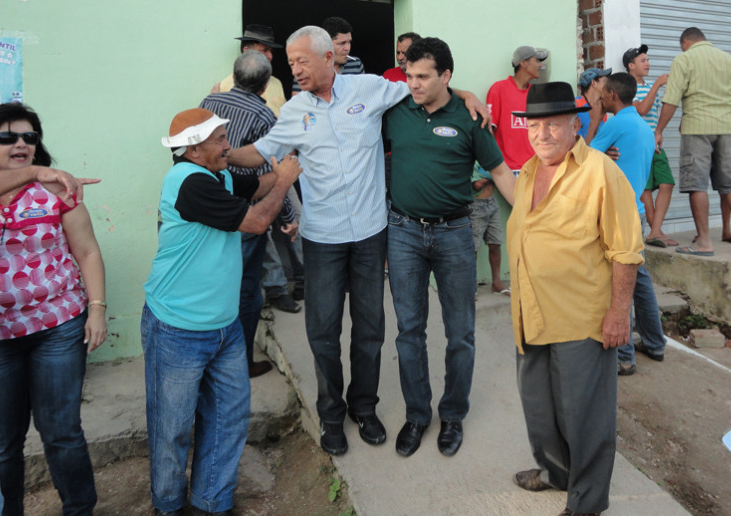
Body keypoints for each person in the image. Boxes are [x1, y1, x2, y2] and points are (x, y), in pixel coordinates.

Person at [226, 25, 489, 457]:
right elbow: (260, 151)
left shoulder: (369, 89)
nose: (295, 69)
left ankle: (364, 409)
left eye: (302, 61)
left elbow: (423, 85)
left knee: (370, 331)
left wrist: (465, 94)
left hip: (370, 233)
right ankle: (332, 416)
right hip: (323, 238)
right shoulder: (294, 111)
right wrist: (219, 154)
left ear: (329, 58)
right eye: (291, 63)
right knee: (323, 332)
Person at [0, 103, 105, 516]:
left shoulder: (56, 191)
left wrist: (97, 309)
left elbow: (87, 252)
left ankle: (80, 510)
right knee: (0, 443)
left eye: (30, 137)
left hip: (58, 326)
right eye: (8, 137)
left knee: (62, 432)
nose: (21, 145)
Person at [142, 108, 301, 515]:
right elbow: (255, 221)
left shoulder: (219, 175)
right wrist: (284, 182)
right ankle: (169, 505)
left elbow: (256, 183)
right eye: (220, 139)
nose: (228, 145)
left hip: (223, 325)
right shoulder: (188, 182)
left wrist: (285, 166)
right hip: (177, 328)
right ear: (194, 149)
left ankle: (211, 502)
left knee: (228, 418)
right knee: (172, 428)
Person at [507, 81, 642, 516]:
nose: (541, 134)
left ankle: (585, 502)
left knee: (585, 416)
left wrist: (620, 311)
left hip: (581, 317)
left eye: (552, 125)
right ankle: (554, 472)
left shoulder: (600, 171)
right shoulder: (528, 171)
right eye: (534, 125)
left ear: (574, 124)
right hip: (531, 312)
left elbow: (625, 249)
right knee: (539, 408)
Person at [384, 37, 517, 458]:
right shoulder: (395, 111)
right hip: (403, 232)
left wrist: (534, 219)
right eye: (409, 75)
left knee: (460, 332)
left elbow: (499, 170)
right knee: (409, 332)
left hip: (455, 233)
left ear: (446, 76)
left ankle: (453, 414)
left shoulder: (470, 119)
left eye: (423, 76)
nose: (414, 83)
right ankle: (418, 415)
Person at [200, 50, 298, 378]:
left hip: (207, 206)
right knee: (246, 290)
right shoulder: (265, 116)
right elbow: (277, 172)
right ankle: (239, 363)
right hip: (244, 210)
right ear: (266, 85)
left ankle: (209, 357)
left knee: (213, 286)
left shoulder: (208, 103)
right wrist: (286, 218)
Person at [589, 73, 667, 376]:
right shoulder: (641, 125)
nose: (599, 99)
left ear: (611, 96)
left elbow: (582, 160)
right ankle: (655, 343)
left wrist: (596, 123)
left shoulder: (617, 123)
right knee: (639, 279)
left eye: (602, 94)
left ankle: (624, 356)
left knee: (617, 283)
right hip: (632, 208)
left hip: (618, 214)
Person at [655, 27, 731, 256]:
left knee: (696, 184)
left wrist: (659, 130)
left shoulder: (684, 59)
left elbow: (671, 99)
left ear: (686, 42)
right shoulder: (730, 61)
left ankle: (704, 242)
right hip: (728, 129)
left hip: (697, 128)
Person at [623, 44, 678, 247]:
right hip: (638, 145)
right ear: (630, 66)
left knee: (667, 183)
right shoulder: (630, 88)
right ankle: (655, 231)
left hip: (654, 143)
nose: (648, 64)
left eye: (647, 60)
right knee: (645, 189)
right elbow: (642, 111)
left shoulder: (647, 86)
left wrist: (659, 132)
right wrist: (657, 85)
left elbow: (656, 115)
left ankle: (655, 231)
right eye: (642, 61)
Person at [487, 45, 548, 173]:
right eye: (536, 61)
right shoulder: (498, 90)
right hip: (507, 170)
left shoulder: (537, 94)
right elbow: (489, 131)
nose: (540, 66)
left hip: (534, 169)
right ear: (523, 63)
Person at [210, 24, 287, 118]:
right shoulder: (223, 87)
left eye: (271, 51)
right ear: (247, 51)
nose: (270, 56)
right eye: (265, 50)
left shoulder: (276, 83)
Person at [291, 17, 364, 95]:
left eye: (349, 42)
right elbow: (297, 104)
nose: (347, 48)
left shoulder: (355, 63)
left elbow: (363, 96)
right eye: (342, 43)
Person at [470, 165, 509, 295]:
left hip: (492, 203)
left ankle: (496, 283)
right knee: (473, 248)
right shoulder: (471, 161)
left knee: (495, 243)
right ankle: (471, 287)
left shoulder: (486, 160)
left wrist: (495, 174)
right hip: (475, 206)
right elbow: (477, 184)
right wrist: (496, 174)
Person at [576, 67, 610, 140]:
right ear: (593, 83)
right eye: (604, 81)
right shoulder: (575, 104)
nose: (608, 85)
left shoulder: (601, 109)